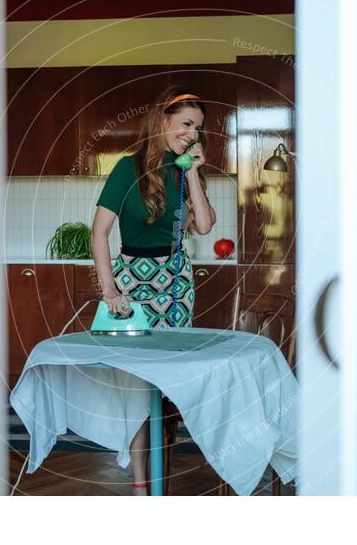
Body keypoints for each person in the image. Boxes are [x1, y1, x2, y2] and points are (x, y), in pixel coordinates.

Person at [90, 85, 216, 495]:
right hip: (133, 282)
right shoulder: (128, 169)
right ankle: (142, 482)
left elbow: (204, 225)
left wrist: (193, 170)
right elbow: (100, 233)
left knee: (168, 392)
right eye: (185, 124)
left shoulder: (184, 168)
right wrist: (110, 291)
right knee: (138, 389)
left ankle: (161, 476)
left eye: (197, 128)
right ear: (163, 120)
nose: (192, 134)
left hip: (176, 283)